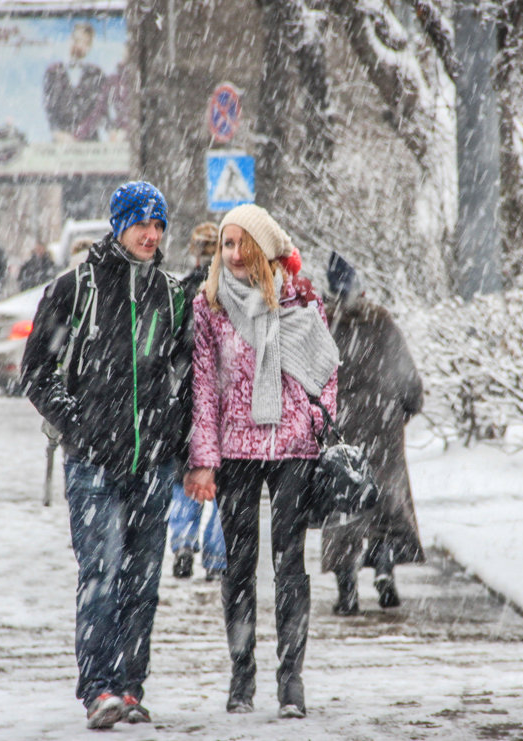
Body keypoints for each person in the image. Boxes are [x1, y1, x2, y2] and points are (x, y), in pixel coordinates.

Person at [20, 181, 191, 730]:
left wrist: (175, 437)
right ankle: (98, 690)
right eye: (141, 222)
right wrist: (80, 425)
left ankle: (130, 688)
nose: (151, 233)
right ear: (117, 225)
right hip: (93, 463)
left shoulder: (171, 295)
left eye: (159, 224)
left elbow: (188, 378)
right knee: (101, 573)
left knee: (142, 582)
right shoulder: (77, 287)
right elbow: (36, 373)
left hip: (153, 462)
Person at [185, 204, 339, 720]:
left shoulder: (300, 300)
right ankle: (241, 675)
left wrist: (318, 421)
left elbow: (328, 368)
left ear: (264, 248)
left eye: (240, 244)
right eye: (226, 245)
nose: (231, 255)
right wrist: (203, 458)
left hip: (293, 448)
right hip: (236, 450)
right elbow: (203, 388)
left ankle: (291, 679)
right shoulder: (209, 306)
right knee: (239, 566)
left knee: (289, 564)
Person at [319, 252, 425, 615]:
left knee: (343, 511)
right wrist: (405, 409)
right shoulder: (381, 322)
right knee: (385, 508)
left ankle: (346, 592)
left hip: (341, 431)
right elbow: (409, 380)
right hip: (384, 428)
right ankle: (383, 570)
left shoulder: (322, 323)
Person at [168, 222, 226, 581]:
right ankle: (217, 559)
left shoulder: (182, 293)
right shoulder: (230, 292)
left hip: (186, 403)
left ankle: (183, 542)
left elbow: (170, 348)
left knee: (185, 477)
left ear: (193, 251)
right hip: (221, 404)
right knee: (223, 485)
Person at [43, 21, 108, 142]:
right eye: (78, 40)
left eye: (86, 42)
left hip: (90, 144)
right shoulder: (53, 72)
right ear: (70, 40)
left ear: (90, 47)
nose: (80, 46)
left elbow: (100, 109)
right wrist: (58, 132)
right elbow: (50, 107)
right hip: (61, 142)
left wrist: (80, 134)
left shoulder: (97, 73)